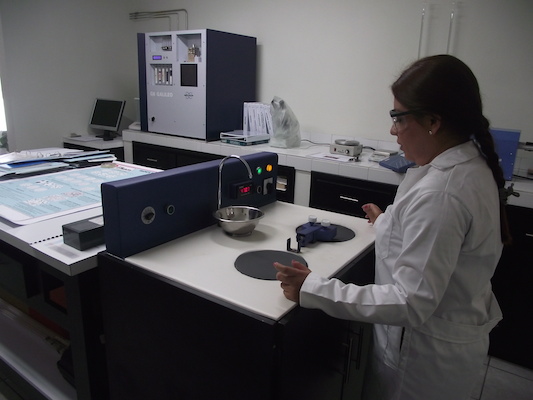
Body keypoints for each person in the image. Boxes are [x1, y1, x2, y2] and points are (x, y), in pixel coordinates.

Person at [274, 54, 510, 400]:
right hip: (448, 342)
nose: (392, 130)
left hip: (424, 362)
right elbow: (429, 241)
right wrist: (388, 221)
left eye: (398, 118)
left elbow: (410, 301)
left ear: (433, 122)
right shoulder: (465, 165)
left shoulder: (443, 193)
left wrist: (314, 289)